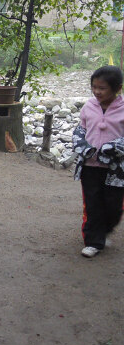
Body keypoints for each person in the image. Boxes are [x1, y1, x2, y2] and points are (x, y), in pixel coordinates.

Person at [72, 65, 124, 258]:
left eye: (102, 88)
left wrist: (114, 148)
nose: (97, 92)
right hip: (90, 166)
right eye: (94, 87)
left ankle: (105, 228)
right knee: (92, 204)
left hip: (116, 169)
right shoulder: (89, 106)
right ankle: (94, 241)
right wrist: (82, 146)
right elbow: (81, 130)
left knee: (114, 206)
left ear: (117, 89)